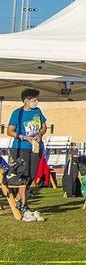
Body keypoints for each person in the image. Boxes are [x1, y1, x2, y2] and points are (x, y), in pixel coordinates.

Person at [6, 88, 47, 221]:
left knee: (32, 175)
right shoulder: (17, 113)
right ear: (26, 100)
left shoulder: (37, 111)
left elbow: (44, 126)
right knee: (24, 175)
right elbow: (10, 131)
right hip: (21, 147)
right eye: (34, 100)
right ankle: (24, 204)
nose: (36, 102)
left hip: (35, 147)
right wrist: (23, 137)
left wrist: (40, 134)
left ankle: (18, 199)